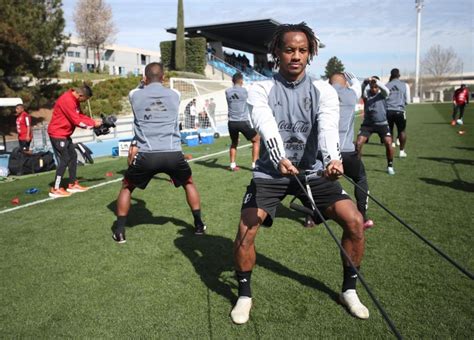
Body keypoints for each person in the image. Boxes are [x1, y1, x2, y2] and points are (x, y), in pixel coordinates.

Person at [231, 23, 368, 325]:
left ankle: (349, 290)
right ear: (277, 53)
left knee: (355, 221)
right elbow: (265, 124)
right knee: (245, 231)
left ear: (310, 54)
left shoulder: (324, 91)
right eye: (289, 49)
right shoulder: (260, 88)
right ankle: (244, 294)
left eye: (302, 50)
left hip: (312, 173)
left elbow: (329, 128)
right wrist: (279, 158)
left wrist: (333, 160)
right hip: (271, 174)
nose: (296, 56)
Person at [112, 62, 207, 243]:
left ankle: (120, 231)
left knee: (127, 187)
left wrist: (143, 84)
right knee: (189, 183)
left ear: (145, 78)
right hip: (172, 152)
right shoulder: (175, 94)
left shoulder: (135, 95)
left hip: (147, 154)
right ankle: (199, 224)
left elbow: (136, 91)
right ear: (163, 78)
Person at [329, 72, 374, 229]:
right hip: (346, 150)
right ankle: (362, 215)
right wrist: (353, 78)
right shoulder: (350, 94)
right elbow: (357, 86)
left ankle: (311, 216)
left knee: (314, 180)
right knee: (360, 178)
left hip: (325, 151)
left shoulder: (322, 94)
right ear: (345, 84)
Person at [47, 85, 102, 198]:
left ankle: (72, 184)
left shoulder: (75, 100)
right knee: (65, 158)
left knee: (73, 156)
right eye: (85, 99)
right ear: (81, 95)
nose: (84, 101)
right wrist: (92, 124)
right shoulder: (67, 100)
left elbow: (80, 115)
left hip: (65, 134)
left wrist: (92, 121)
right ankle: (56, 188)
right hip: (57, 134)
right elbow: (76, 121)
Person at [356, 77, 395, 175]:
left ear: (378, 86)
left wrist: (377, 81)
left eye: (376, 87)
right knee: (358, 143)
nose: (373, 89)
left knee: (388, 143)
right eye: (372, 87)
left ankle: (390, 165)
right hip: (368, 124)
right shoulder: (366, 94)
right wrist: (365, 82)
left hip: (382, 124)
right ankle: (358, 166)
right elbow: (361, 90)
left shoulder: (383, 94)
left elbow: (386, 90)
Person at [225, 72, 260, 171]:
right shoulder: (244, 91)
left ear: (232, 81)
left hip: (231, 122)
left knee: (234, 142)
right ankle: (254, 165)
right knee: (256, 140)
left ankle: (232, 165)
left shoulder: (227, 92)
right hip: (242, 121)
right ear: (241, 81)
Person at [386, 68, 411, 158]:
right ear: (399, 75)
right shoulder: (405, 85)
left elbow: (384, 99)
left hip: (388, 111)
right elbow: (408, 100)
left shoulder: (386, 85)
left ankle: (391, 146)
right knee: (402, 131)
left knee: (389, 131)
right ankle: (401, 151)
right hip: (400, 111)